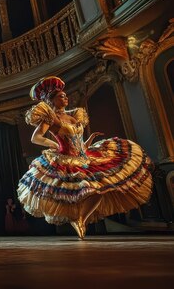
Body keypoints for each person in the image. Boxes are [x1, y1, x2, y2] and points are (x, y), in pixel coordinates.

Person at [17, 76, 153, 239]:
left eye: (65, 95)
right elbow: (35, 137)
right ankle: (78, 219)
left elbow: (79, 143)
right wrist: (52, 144)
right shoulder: (52, 118)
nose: (65, 97)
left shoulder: (73, 115)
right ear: (51, 99)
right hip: (66, 160)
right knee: (88, 190)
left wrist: (89, 140)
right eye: (61, 96)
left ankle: (80, 219)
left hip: (84, 157)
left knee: (101, 188)